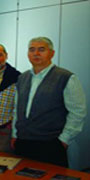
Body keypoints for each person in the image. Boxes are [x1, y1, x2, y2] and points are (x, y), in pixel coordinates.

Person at [11, 37, 87, 167]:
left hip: (51, 144)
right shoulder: (22, 78)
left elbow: (78, 112)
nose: (36, 53)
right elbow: (17, 110)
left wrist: (64, 139)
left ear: (52, 53)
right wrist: (14, 134)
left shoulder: (66, 77)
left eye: (41, 49)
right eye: (32, 50)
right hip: (23, 142)